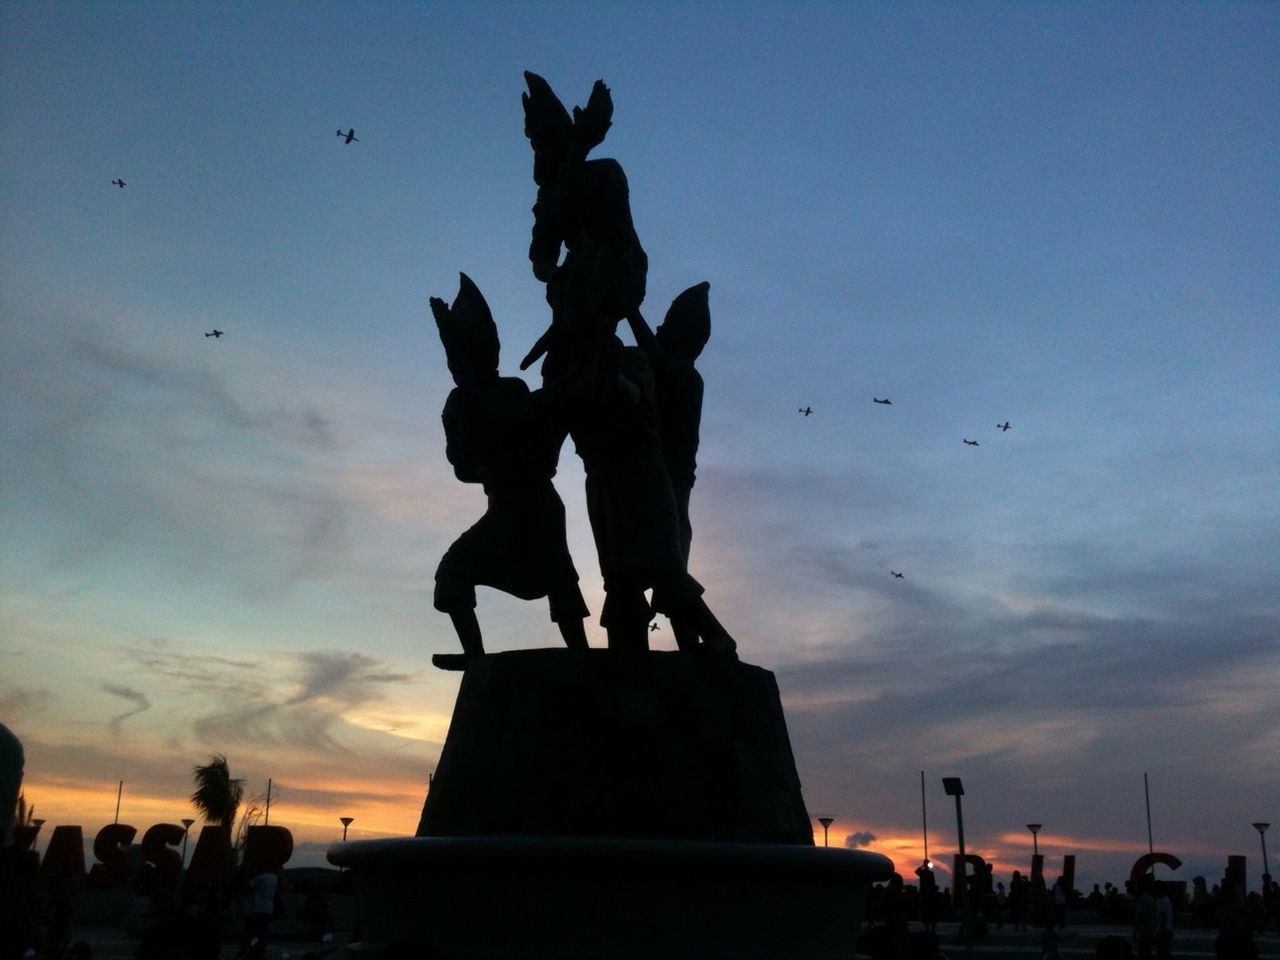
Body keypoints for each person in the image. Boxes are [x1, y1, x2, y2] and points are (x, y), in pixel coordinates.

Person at [429, 274, 590, 666]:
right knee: (453, 571)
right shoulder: (458, 404)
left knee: (558, 575)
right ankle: (476, 657)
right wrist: (481, 461)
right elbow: (462, 467)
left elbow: (542, 427)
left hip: (535, 501)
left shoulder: (512, 392)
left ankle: (582, 656)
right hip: (501, 505)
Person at [236, 865, 278, 960]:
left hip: (257, 910)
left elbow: (247, 885)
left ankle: (247, 952)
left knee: (250, 932)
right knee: (262, 934)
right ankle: (260, 953)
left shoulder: (261, 878)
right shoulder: (274, 877)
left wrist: (250, 875)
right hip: (267, 910)